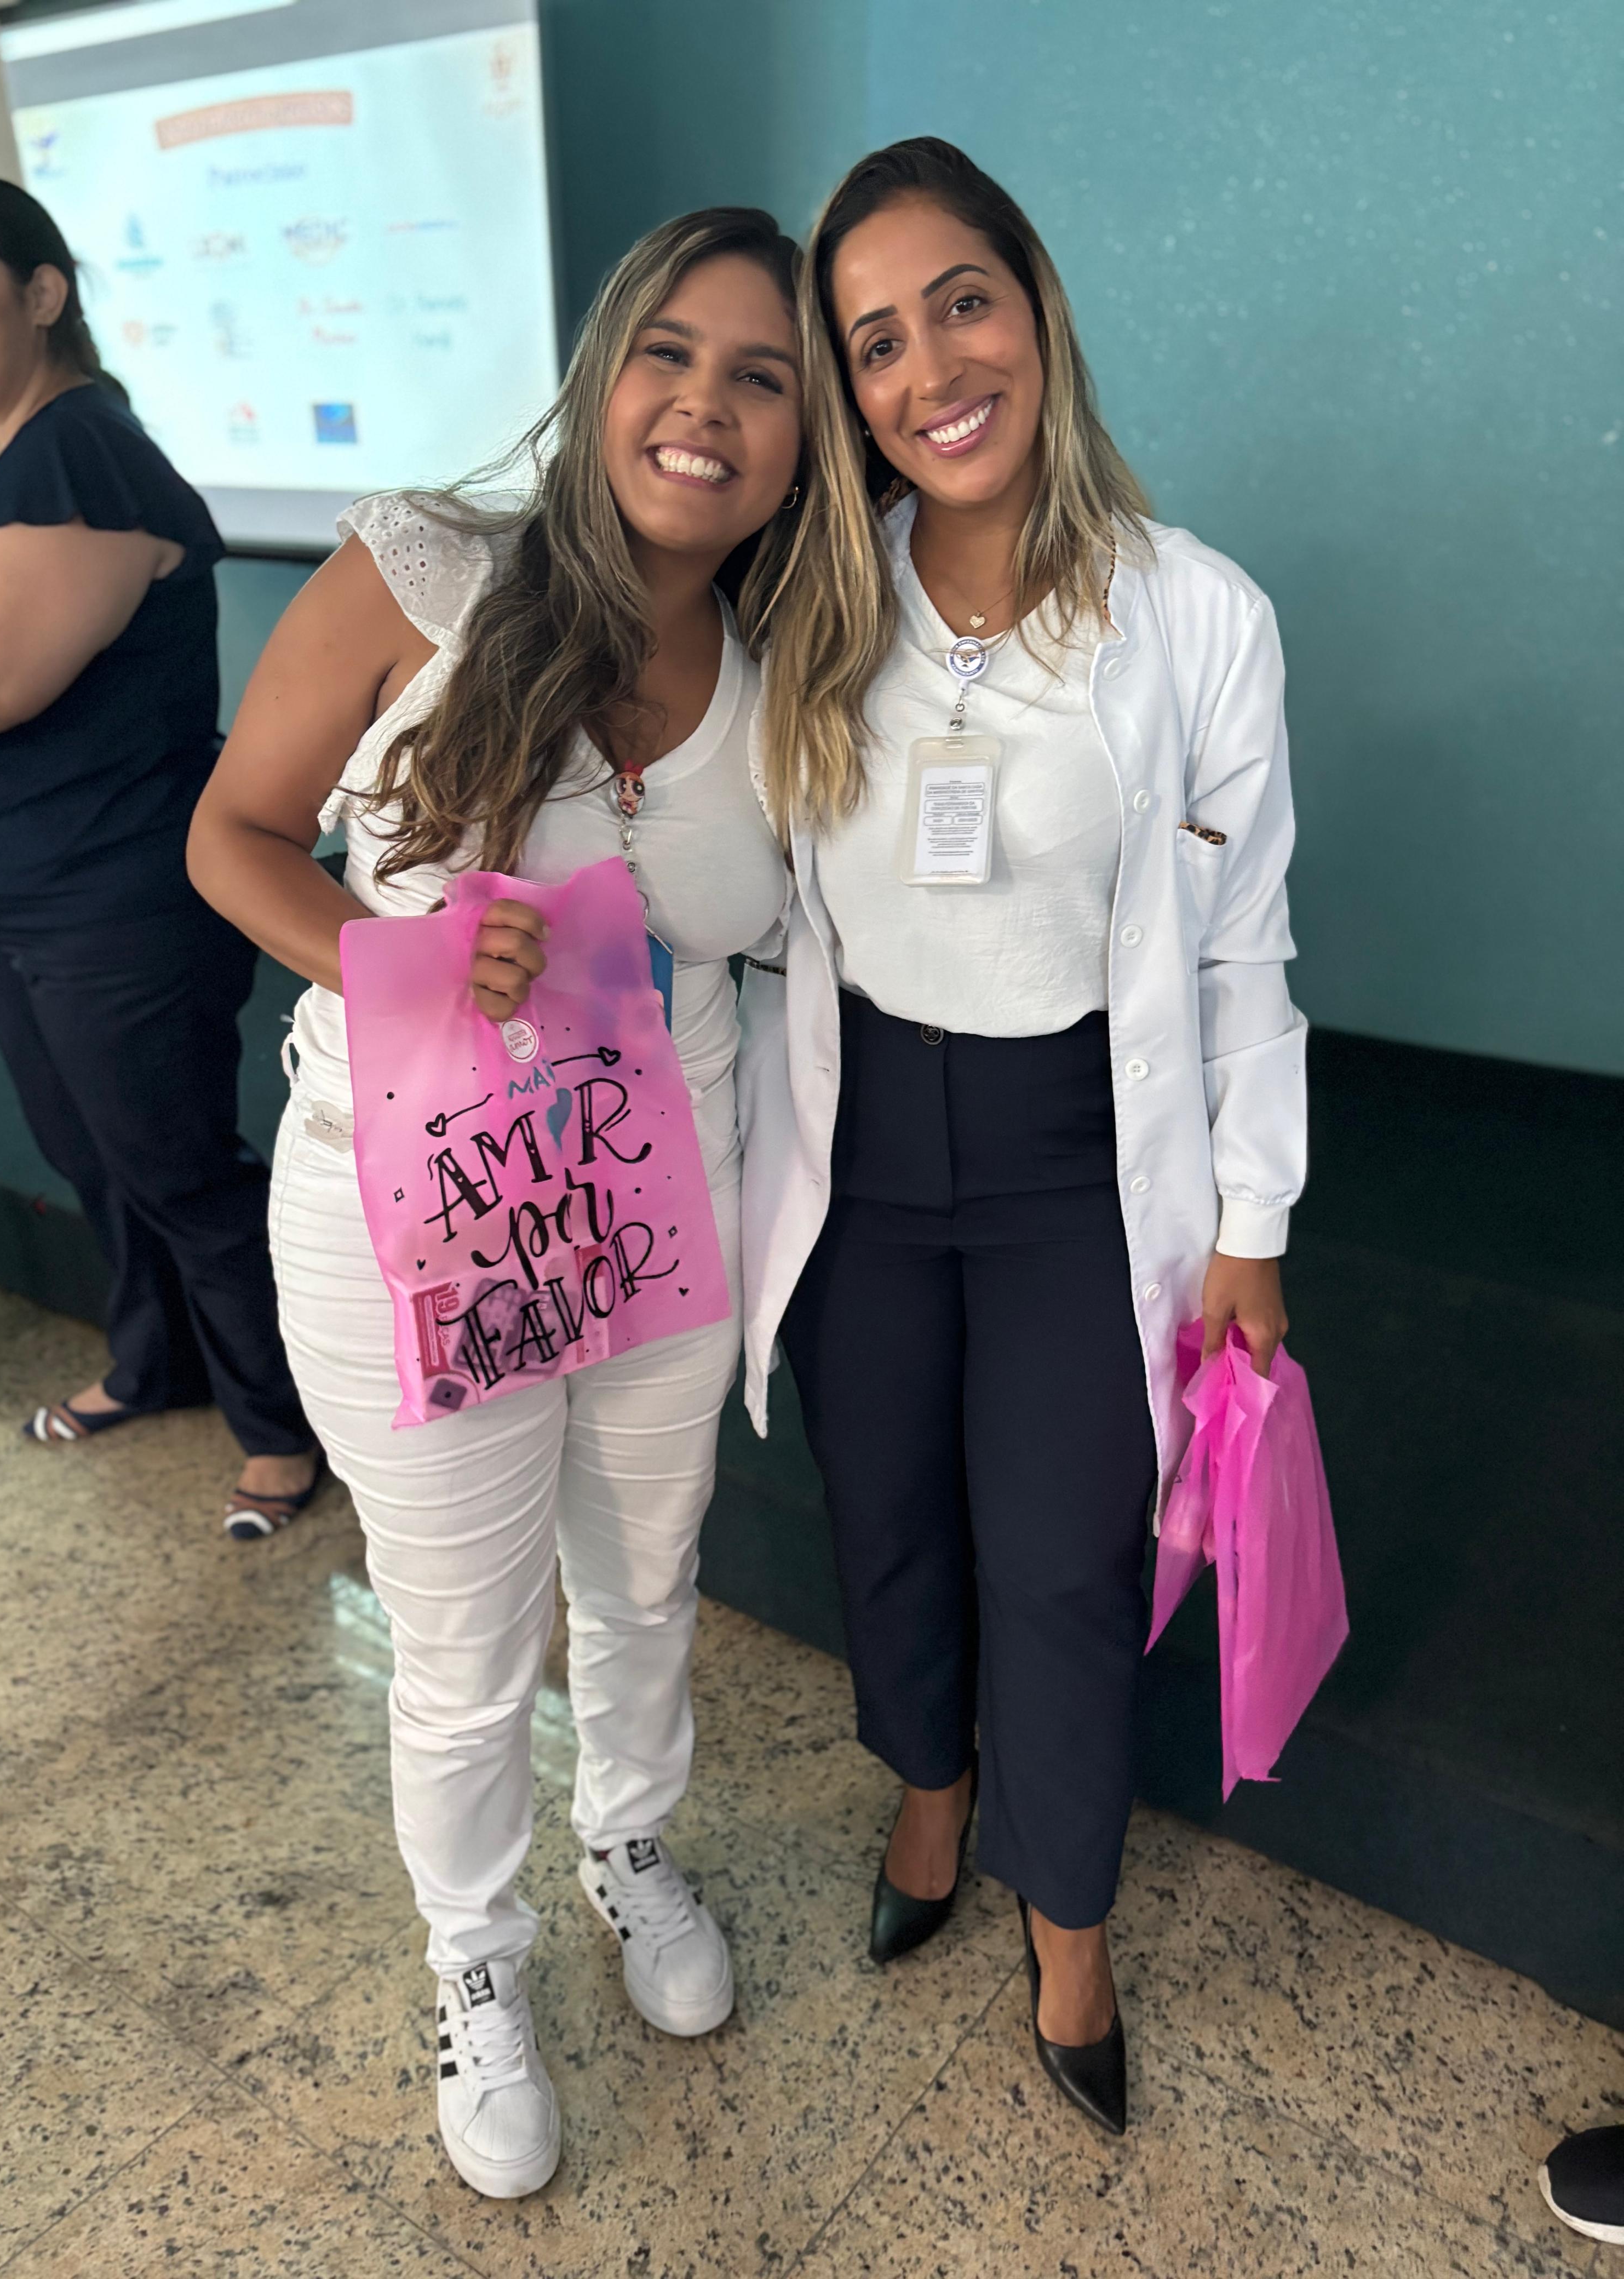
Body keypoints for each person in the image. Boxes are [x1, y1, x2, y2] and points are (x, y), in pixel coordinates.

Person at [187, 208, 804, 2199]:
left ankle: (630, 1844)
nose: (705, 406)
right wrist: (397, 955)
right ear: (604, 368)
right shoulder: (427, 571)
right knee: (461, 1644)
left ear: (803, 439)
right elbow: (233, 832)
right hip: (414, 1203)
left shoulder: (788, 658)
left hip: (661, 1196)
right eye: (671, 354)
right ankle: (477, 1961)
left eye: (764, 377)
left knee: (644, 1582)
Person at [739, 139, 1305, 2139]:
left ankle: (1070, 1915)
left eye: (961, 304)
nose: (930, 371)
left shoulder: (1200, 616)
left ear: (1036, 306)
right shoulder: (812, 603)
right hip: (865, 1142)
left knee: (1066, 1557)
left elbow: (1244, 948)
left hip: (1085, 1147)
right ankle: (931, 1786)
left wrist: (1253, 1219)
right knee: (886, 1511)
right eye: (875, 341)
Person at [0, 176, 316, 1536]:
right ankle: (156, 1366)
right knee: (93, 1157)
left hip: (117, 900)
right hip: (16, 896)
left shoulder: (81, 452)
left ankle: (283, 1427)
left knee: (180, 1168)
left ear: (43, 291)